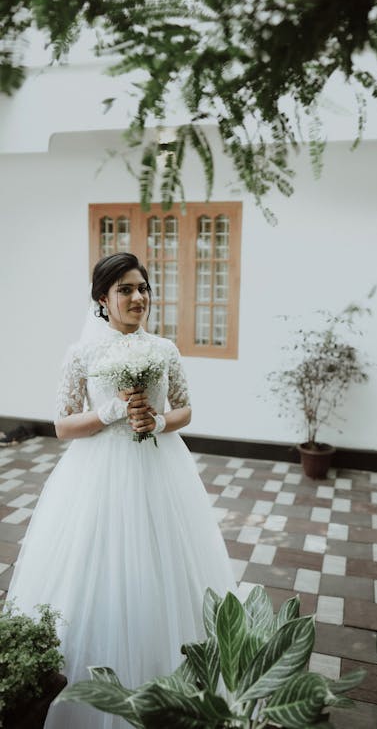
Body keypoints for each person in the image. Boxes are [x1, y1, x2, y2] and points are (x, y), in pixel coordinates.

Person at [7, 253, 236, 729]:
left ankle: (170, 677)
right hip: (97, 475)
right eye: (126, 290)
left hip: (159, 467)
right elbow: (63, 426)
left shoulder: (165, 349)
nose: (139, 298)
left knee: (164, 565)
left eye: (144, 288)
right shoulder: (81, 354)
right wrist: (110, 411)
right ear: (102, 299)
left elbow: (185, 410)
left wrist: (158, 420)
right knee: (99, 568)